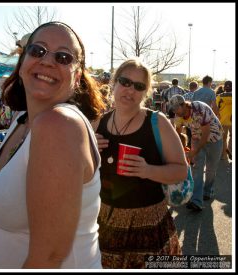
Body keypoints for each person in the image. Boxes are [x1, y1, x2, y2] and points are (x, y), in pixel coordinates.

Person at [0, 21, 106, 269]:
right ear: (22, 64)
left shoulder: (59, 125)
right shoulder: (22, 121)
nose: (47, 61)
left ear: (76, 77)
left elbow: (48, 258)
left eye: (64, 57)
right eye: (38, 51)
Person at [91, 58, 188, 268]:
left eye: (139, 86)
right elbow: (80, 174)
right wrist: (87, 152)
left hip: (150, 224)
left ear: (145, 92)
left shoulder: (157, 122)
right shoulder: (97, 123)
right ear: (114, 83)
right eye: (125, 82)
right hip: (104, 223)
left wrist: (147, 170)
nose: (130, 90)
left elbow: (181, 171)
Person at [170, 95, 223, 211]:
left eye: (176, 108)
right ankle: (196, 201)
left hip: (214, 138)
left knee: (211, 169)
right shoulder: (178, 116)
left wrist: (194, 152)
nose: (175, 111)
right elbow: (177, 135)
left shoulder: (199, 109)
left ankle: (208, 190)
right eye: (173, 109)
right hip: (196, 137)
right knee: (197, 168)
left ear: (184, 105)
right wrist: (182, 151)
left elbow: (206, 134)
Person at [216, 80, 232, 160]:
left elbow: (216, 108)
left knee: (223, 138)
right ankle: (230, 150)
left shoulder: (219, 96)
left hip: (222, 120)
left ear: (224, 87)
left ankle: (223, 154)